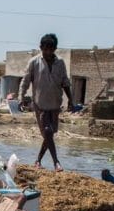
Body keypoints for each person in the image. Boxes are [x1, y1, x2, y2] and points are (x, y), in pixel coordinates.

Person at [17, 33, 76, 171]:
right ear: (41, 48)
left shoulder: (60, 63)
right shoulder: (34, 62)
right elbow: (25, 82)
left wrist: (71, 101)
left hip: (55, 104)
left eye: (51, 49)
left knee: (49, 135)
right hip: (40, 104)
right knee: (48, 132)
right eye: (46, 49)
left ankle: (38, 160)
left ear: (55, 48)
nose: (49, 52)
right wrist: (21, 98)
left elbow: (65, 82)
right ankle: (56, 162)